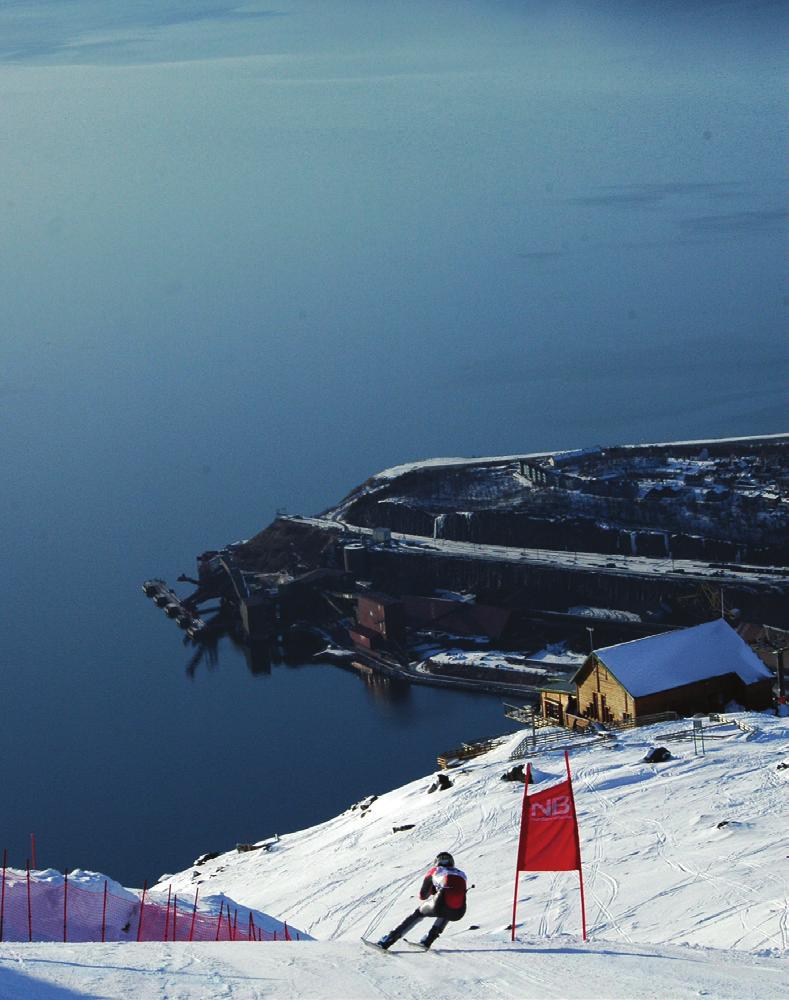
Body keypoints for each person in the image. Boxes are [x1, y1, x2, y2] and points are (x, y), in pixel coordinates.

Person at [376, 851, 467, 950]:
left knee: (418, 913)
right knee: (448, 909)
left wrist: (432, 890)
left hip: (439, 904)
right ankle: (428, 941)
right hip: (459, 911)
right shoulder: (462, 874)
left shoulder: (436, 870)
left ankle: (388, 940)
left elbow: (422, 896)